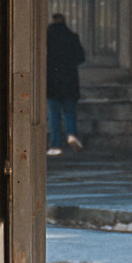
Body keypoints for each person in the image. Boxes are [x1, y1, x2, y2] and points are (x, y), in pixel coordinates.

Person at [45, 12, 85, 156]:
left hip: (51, 83)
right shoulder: (72, 37)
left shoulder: (46, 38)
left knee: (54, 114)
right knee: (69, 111)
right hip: (69, 82)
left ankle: (56, 145)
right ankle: (72, 134)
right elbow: (81, 57)